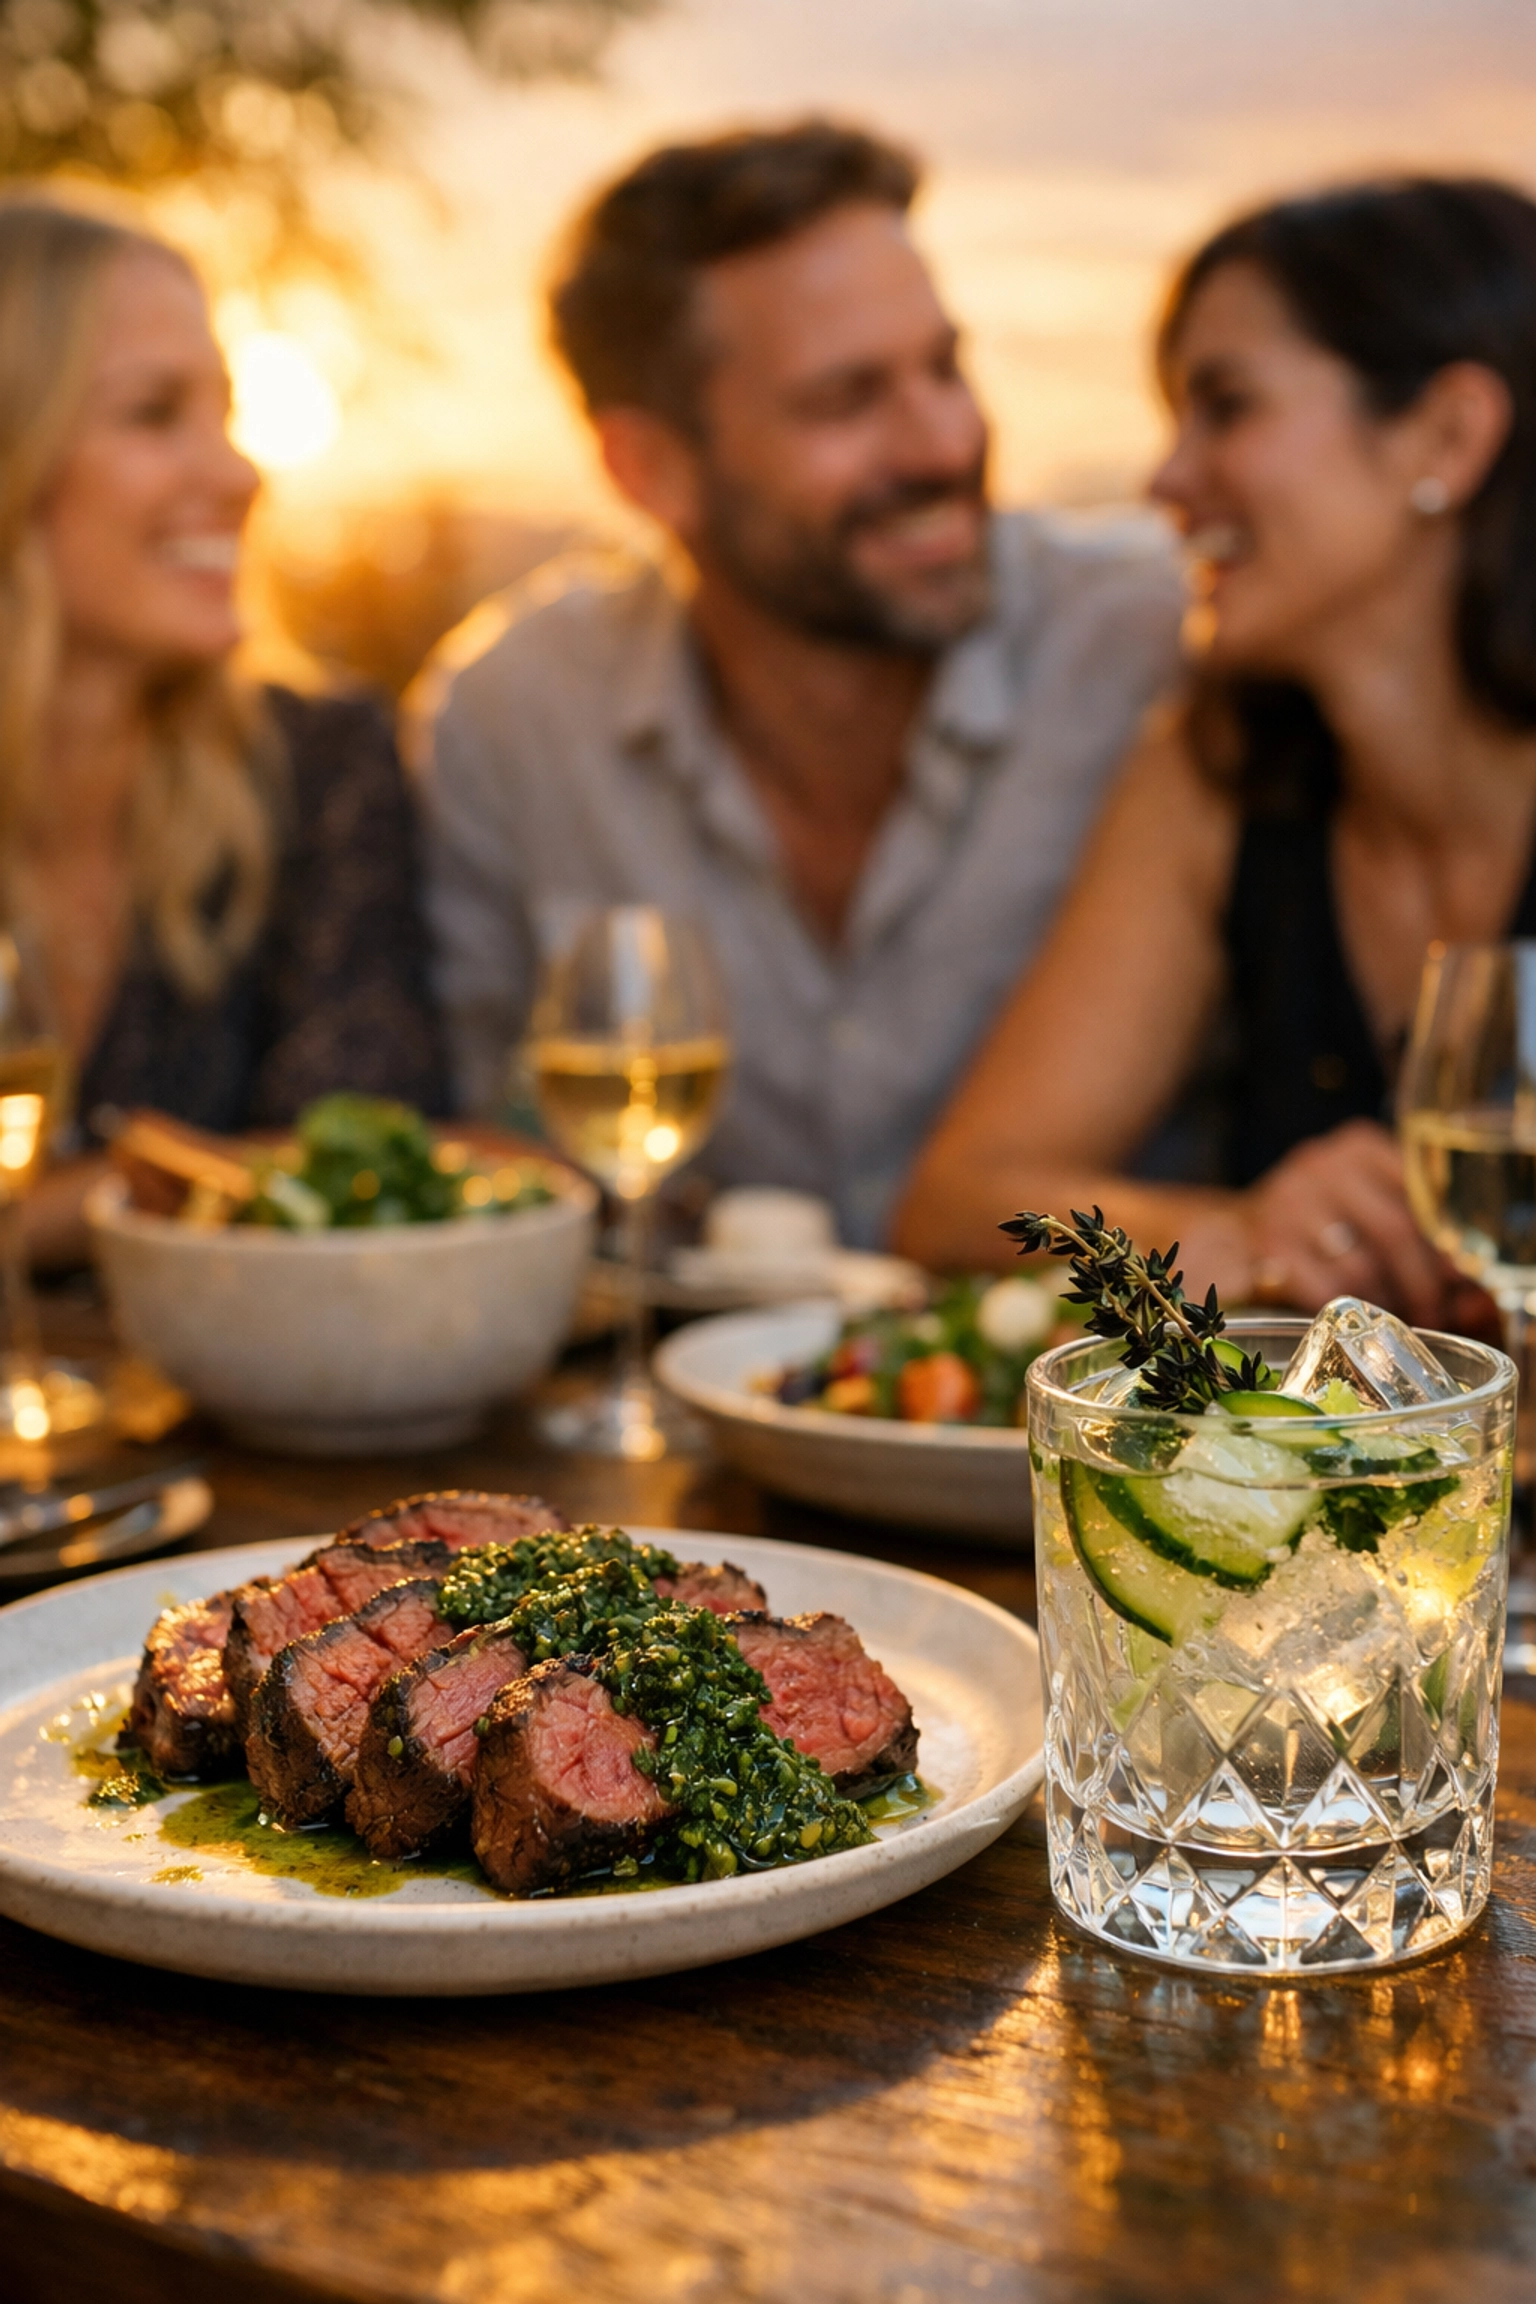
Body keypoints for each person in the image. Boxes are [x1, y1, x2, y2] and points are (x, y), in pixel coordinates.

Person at [420, 120, 1182, 1249]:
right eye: (848, 401)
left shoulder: (1155, 645)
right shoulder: (510, 721)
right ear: (651, 468)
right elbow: (501, 1155)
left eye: (945, 368)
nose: (942, 442)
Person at [894, 175, 1536, 1329]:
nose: (1165, 480)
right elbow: (956, 1208)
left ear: (1449, 433)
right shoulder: (1217, 771)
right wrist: (1238, 1234)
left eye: (1227, 407)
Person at [0, 196, 448, 1266]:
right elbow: (261, 1180)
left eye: (226, 413)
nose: (241, 475)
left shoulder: (318, 767)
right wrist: (146, 1184)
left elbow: (350, 1175)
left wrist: (51, 1209)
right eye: (154, 414)